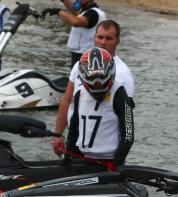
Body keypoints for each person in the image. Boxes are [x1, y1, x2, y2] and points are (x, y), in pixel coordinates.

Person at [52, 20, 134, 156]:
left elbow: (126, 116)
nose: (103, 42)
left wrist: (118, 158)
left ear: (117, 41)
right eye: (100, 37)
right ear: (94, 38)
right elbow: (67, 100)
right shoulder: (81, 64)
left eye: (109, 38)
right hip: (77, 141)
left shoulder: (123, 73)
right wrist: (58, 134)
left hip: (105, 152)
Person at [65, 46, 133, 170]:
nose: (97, 84)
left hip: (109, 161)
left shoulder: (119, 93)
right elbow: (74, 127)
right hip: (84, 159)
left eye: (101, 80)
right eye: (93, 80)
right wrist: (69, 155)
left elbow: (128, 134)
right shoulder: (79, 93)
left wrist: (115, 164)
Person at [41, 0, 106, 67]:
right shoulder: (90, 12)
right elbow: (76, 12)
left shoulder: (93, 14)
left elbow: (76, 22)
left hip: (86, 56)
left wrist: (58, 11)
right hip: (83, 54)